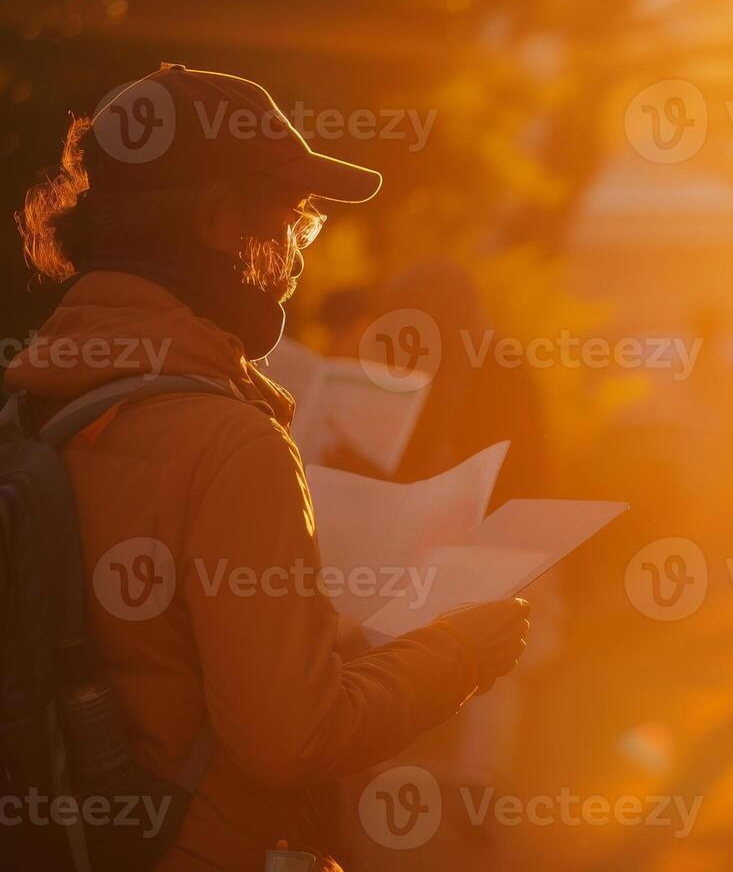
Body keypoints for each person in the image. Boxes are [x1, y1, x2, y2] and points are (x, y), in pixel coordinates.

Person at [8, 64, 532, 870]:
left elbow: (162, 656)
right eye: (292, 220)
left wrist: (339, 642)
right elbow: (290, 737)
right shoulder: (229, 441)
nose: (294, 255)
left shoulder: (27, 411)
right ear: (219, 220)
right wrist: (455, 656)